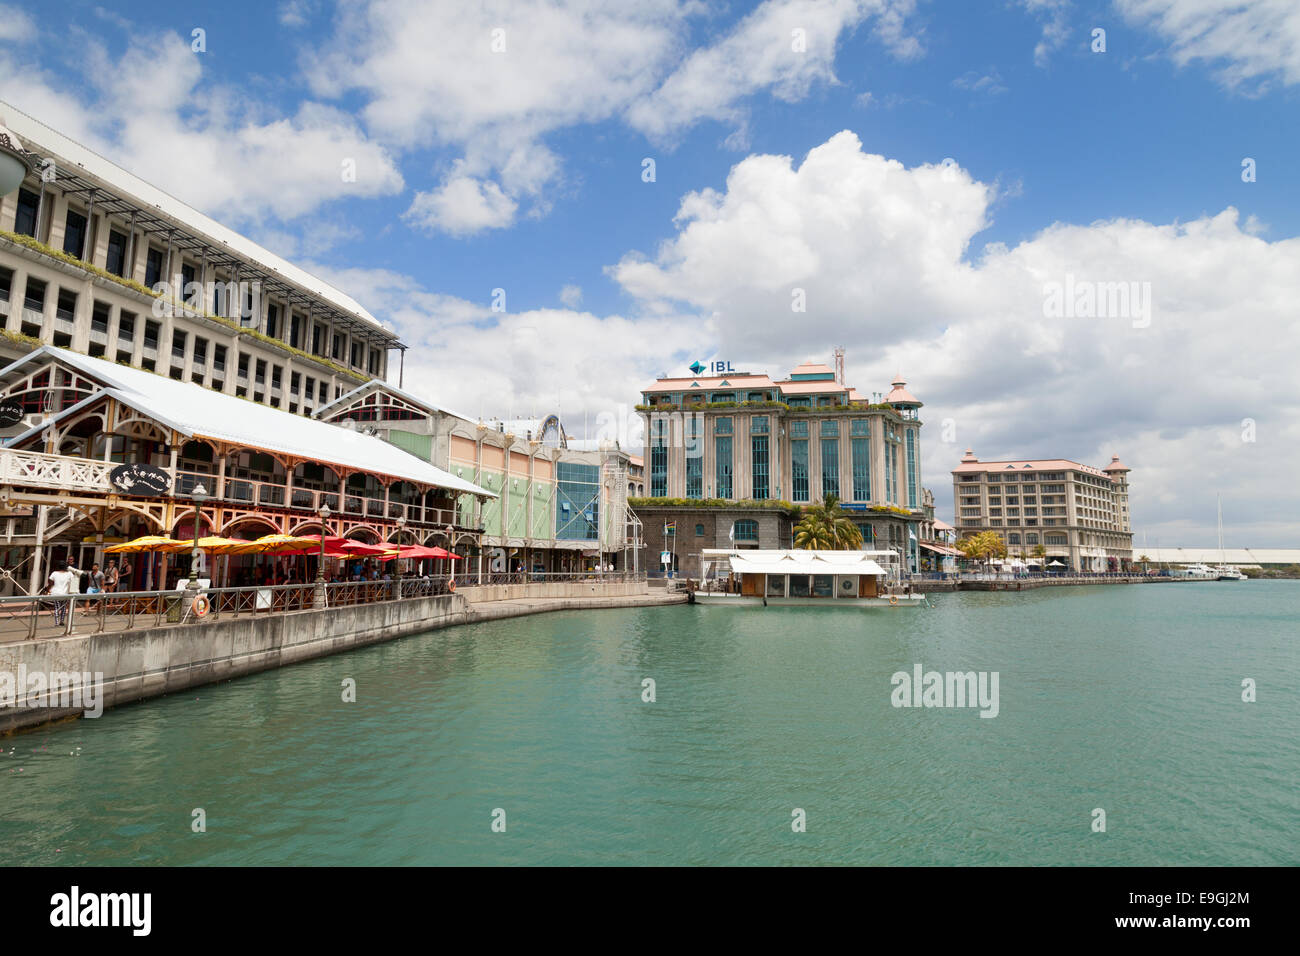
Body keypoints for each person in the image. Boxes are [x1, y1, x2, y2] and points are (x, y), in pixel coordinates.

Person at [47, 560, 78, 626]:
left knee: (56, 608)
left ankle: (56, 622)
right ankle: (62, 621)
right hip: (65, 593)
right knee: (63, 608)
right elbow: (74, 581)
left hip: (55, 593)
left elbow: (50, 582)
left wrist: (48, 589)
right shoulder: (69, 574)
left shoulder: (54, 573)